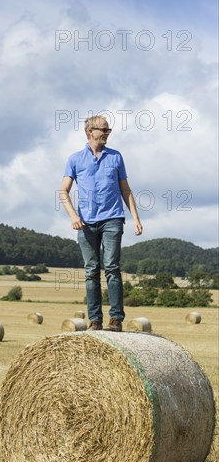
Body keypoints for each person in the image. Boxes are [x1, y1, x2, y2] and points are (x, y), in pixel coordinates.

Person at [60, 114, 143, 331]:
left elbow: (125, 189)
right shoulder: (75, 159)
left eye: (108, 130)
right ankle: (95, 320)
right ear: (90, 132)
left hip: (113, 219)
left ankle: (116, 319)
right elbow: (63, 192)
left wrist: (135, 217)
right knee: (91, 271)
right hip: (86, 223)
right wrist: (73, 216)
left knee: (112, 268)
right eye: (103, 130)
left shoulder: (116, 157)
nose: (107, 133)